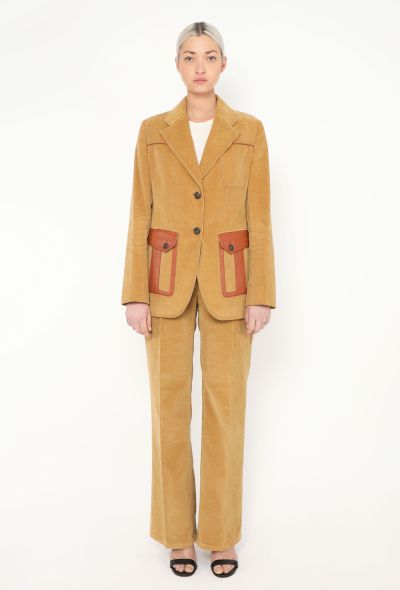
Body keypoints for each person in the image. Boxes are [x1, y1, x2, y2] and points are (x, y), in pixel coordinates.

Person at [121, 21, 276, 577]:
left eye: (210, 56)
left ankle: (221, 534)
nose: (200, 66)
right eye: (190, 57)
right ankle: (177, 537)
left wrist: (261, 294)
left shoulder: (249, 131)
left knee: (225, 411)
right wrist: (134, 294)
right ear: (178, 65)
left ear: (223, 65)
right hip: (163, 283)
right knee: (168, 411)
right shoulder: (153, 131)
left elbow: (260, 217)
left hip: (231, 285)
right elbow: (140, 211)